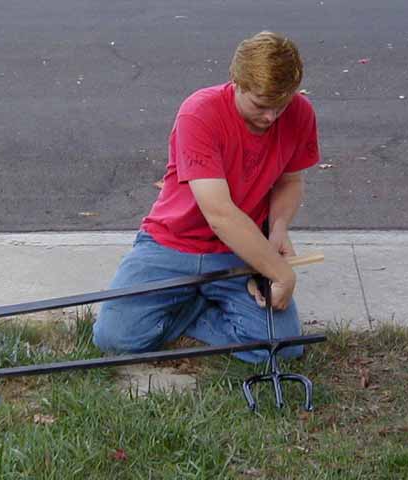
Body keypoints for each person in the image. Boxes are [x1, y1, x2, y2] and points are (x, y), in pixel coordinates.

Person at [92, 31, 320, 363]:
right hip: (172, 242)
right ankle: (196, 299)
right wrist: (280, 273)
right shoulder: (199, 113)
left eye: (280, 106)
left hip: (238, 248)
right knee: (115, 340)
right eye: (260, 105)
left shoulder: (300, 113)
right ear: (236, 82)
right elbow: (220, 214)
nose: (271, 117)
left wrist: (278, 227)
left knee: (284, 348)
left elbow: (291, 180)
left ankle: (192, 304)